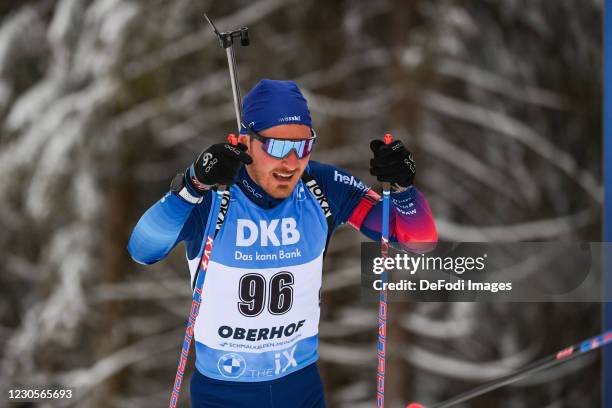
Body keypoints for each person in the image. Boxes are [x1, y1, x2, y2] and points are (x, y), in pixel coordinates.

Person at [128, 79, 437, 407]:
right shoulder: (216, 191)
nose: (291, 162)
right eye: (276, 147)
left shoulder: (323, 186)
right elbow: (143, 249)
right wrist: (191, 185)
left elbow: (419, 241)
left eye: (303, 147)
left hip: (300, 387)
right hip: (223, 390)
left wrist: (403, 190)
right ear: (246, 141)